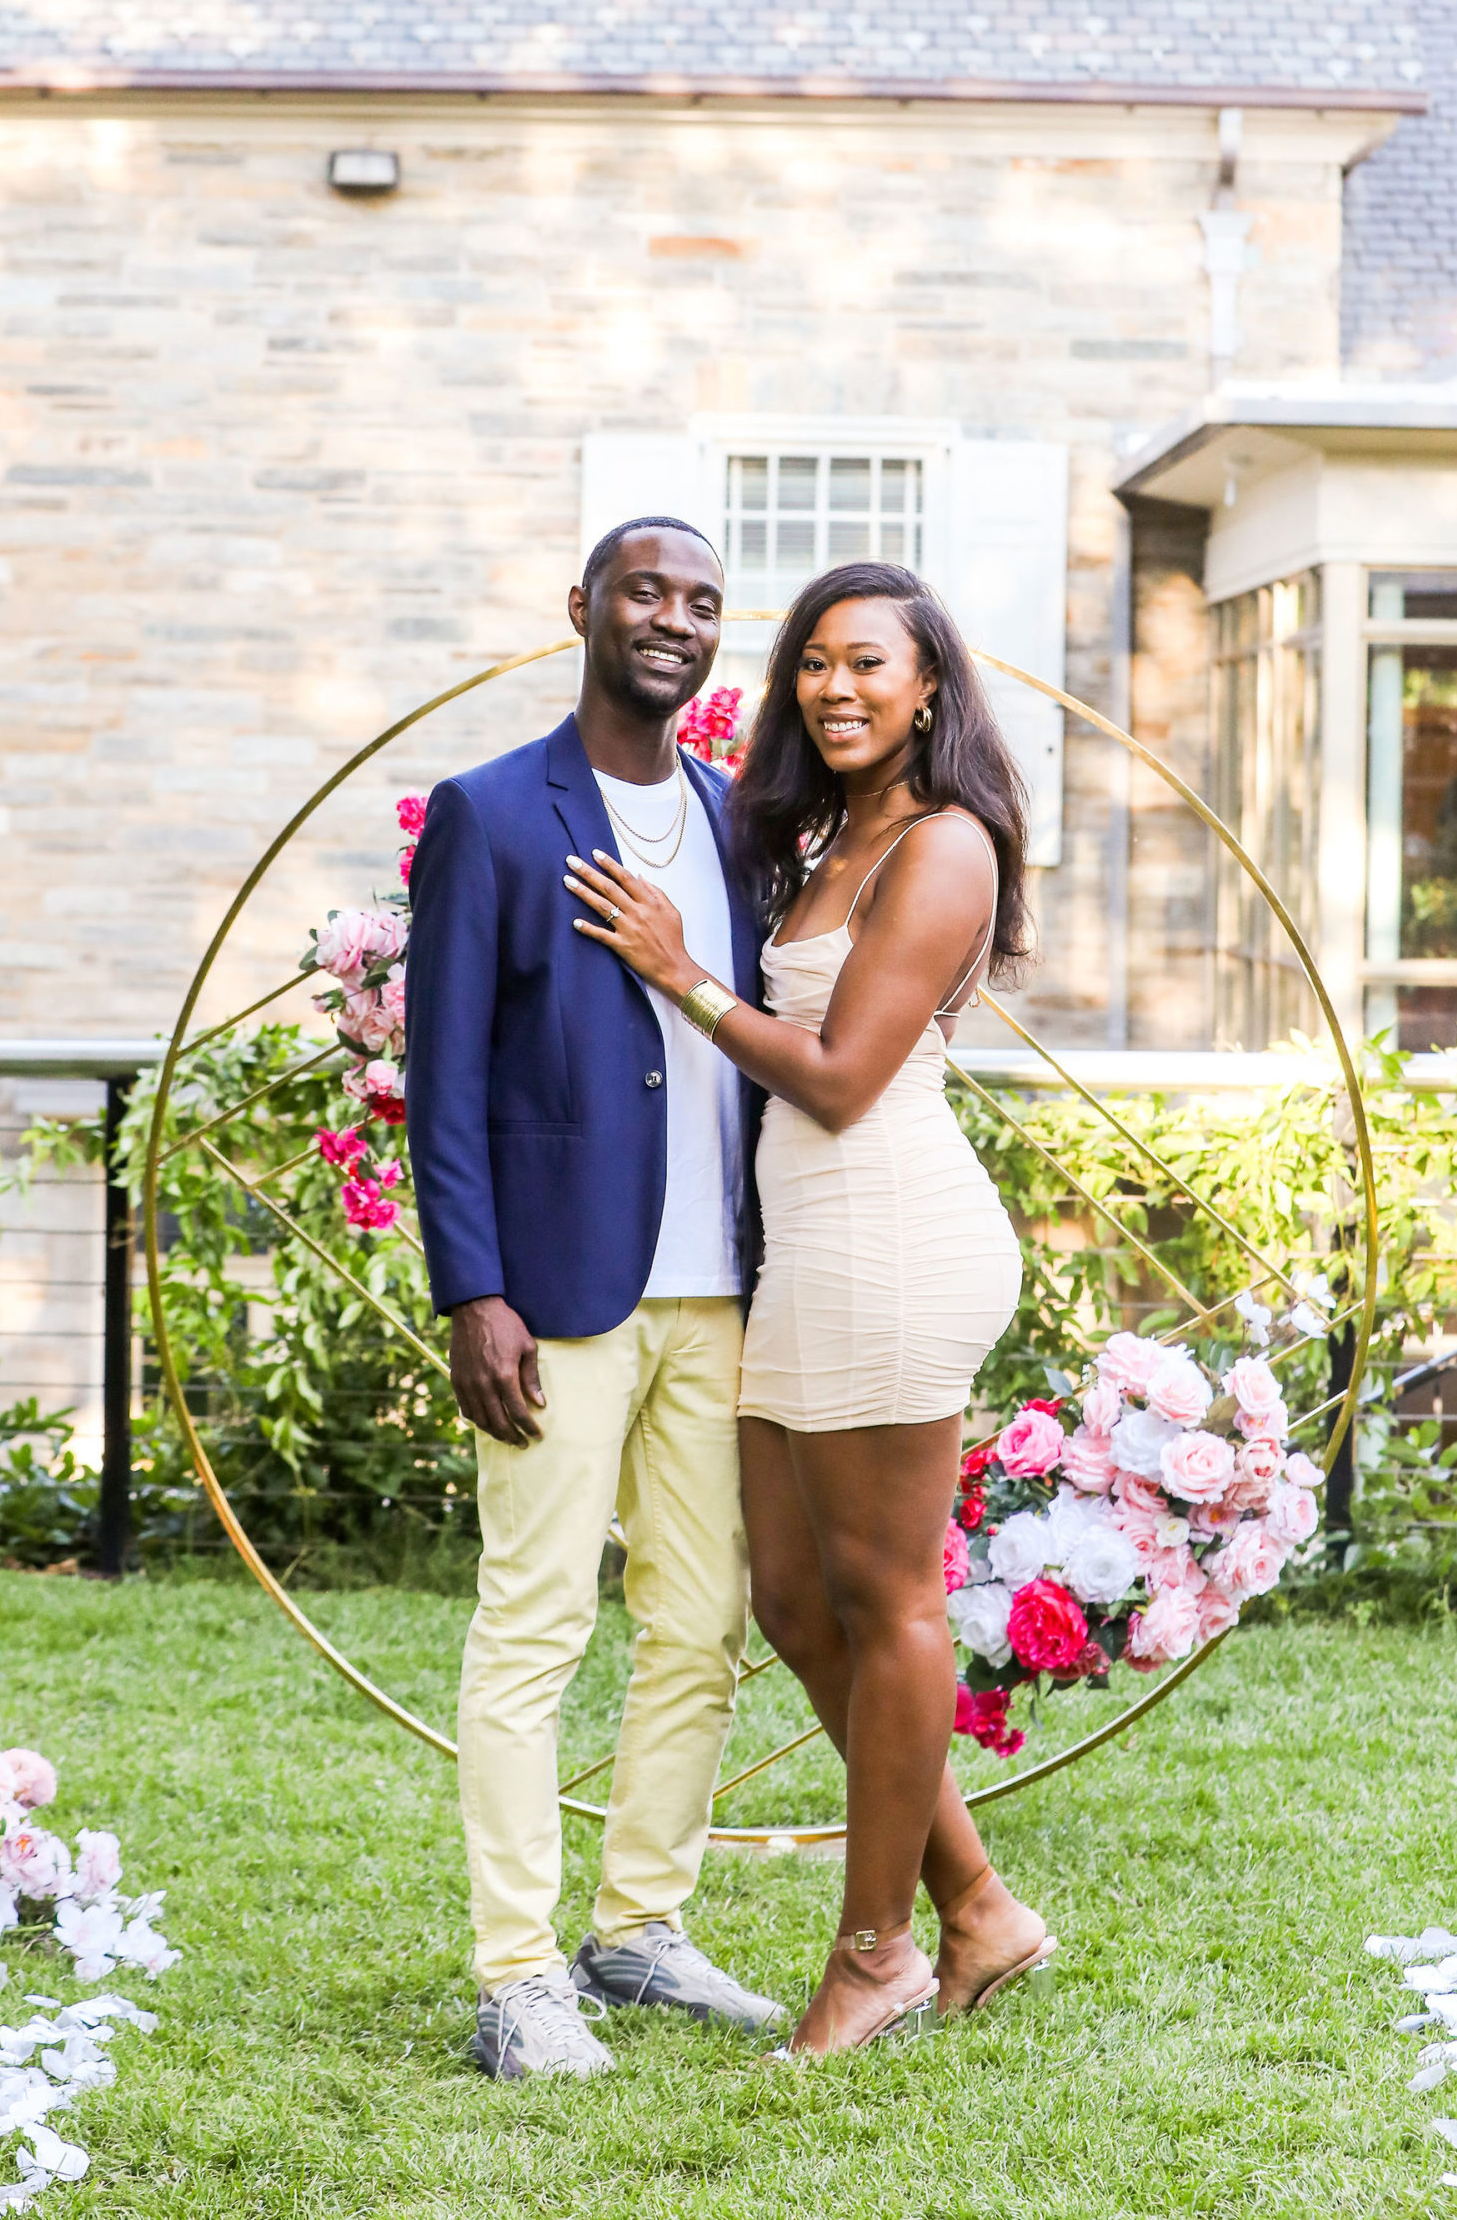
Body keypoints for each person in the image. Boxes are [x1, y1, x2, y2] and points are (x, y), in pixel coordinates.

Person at [565, 560, 1053, 2057]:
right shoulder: (831, 836)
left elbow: (841, 1080)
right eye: (814, 667)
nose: (837, 690)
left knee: (891, 1607)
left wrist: (682, 976)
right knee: (790, 1597)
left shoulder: (946, 849)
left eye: (870, 667)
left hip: (894, 1239)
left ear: (928, 691)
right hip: (808, 1254)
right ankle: (981, 1909)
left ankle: (879, 1948)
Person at [403, 515, 782, 2082]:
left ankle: (637, 1930)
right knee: (534, 1627)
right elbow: (443, 1079)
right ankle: (517, 1976)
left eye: (701, 601)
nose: (673, 619)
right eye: (646, 590)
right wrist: (471, 1287)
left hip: (722, 1294)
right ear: (583, 608)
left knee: (697, 1627)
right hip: (558, 1292)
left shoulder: (738, 821)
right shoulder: (495, 815)